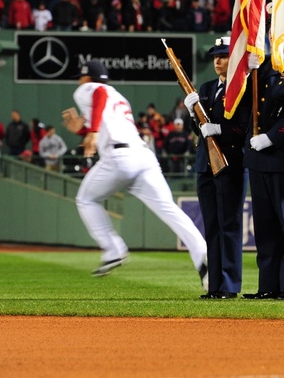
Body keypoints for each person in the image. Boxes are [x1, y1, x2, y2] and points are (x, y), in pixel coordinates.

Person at [63, 59, 208, 288]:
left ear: (86, 76)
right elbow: (103, 120)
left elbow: (99, 93)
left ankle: (113, 249)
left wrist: (90, 133)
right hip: (144, 157)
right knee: (169, 209)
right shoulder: (118, 97)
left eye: (81, 77)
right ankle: (203, 257)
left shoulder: (92, 89)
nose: (79, 82)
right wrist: (82, 130)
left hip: (119, 157)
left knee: (86, 199)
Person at [242, 34, 284, 300]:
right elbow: (247, 103)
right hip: (259, 156)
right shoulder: (264, 64)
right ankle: (268, 286)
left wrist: (272, 137)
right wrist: (246, 74)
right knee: (266, 225)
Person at [183, 36, 249, 299]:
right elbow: (199, 131)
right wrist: (192, 114)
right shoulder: (207, 88)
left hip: (230, 163)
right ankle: (215, 285)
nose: (218, 61)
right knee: (212, 225)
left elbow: (242, 128)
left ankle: (230, 285)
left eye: (223, 56)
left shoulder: (241, 88)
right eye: (215, 57)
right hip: (205, 165)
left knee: (229, 225)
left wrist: (220, 129)